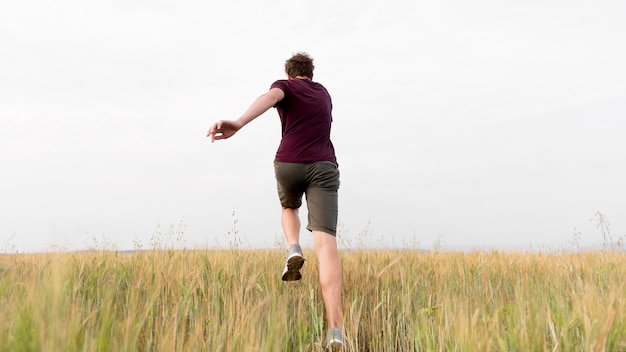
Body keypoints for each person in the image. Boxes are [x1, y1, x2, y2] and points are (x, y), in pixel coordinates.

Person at [206, 52, 344, 351]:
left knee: (289, 207)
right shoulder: (324, 93)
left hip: (289, 163)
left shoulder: (285, 86)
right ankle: (335, 330)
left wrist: (239, 122)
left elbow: (270, 97)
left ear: (290, 73)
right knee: (326, 246)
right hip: (323, 165)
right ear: (311, 73)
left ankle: (293, 246)